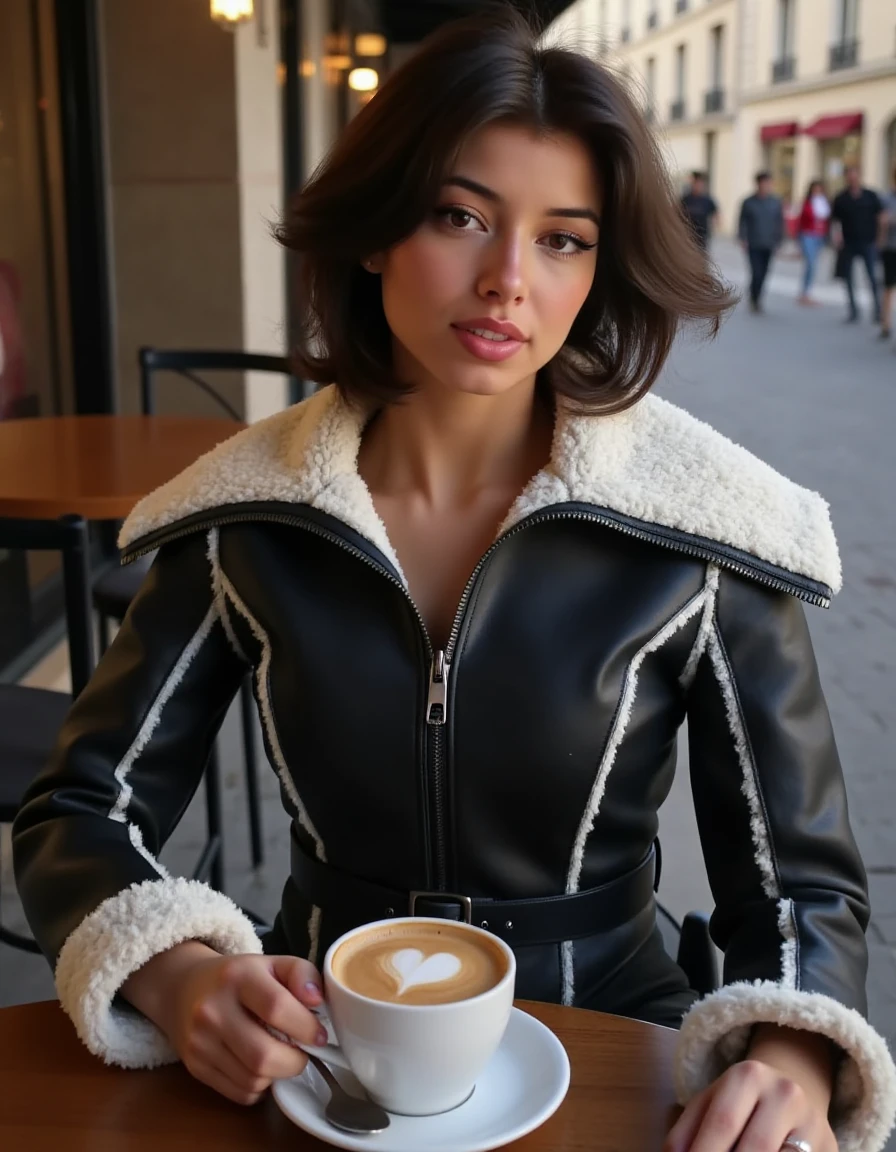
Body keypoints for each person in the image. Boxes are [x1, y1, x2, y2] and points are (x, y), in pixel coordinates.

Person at [13, 11, 896, 1152]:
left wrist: (787, 1054)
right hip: (315, 1045)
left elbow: (799, 891)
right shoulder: (241, 522)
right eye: (459, 217)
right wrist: (178, 974)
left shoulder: (703, 532)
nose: (505, 282)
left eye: (563, 239)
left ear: (599, 267)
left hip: (611, 1038)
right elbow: (81, 809)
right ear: (379, 232)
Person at [831, 165, 884, 325]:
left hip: (868, 242)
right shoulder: (841, 198)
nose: (852, 179)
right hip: (849, 243)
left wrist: (880, 240)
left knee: (872, 278)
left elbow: (881, 217)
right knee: (848, 278)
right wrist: (836, 237)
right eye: (849, 176)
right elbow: (835, 221)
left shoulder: (871, 196)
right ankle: (853, 309)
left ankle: (877, 310)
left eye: (855, 175)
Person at [738, 172, 784, 313]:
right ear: (758, 184)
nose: (766, 186)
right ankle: (754, 298)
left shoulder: (775, 202)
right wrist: (742, 238)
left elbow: (779, 222)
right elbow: (742, 222)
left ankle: (757, 297)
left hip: (769, 243)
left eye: (768, 183)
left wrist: (779, 240)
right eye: (764, 183)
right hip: (754, 243)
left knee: (764, 273)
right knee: (756, 272)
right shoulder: (748, 202)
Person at [797, 180, 830, 306]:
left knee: (813, 264)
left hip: (819, 235)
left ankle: (807, 290)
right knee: (810, 263)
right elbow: (803, 218)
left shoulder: (824, 202)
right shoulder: (808, 202)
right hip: (808, 234)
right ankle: (805, 292)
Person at [680, 170, 718, 251]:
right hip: (688, 233)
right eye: (695, 184)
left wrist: (715, 224)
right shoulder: (685, 199)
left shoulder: (707, 200)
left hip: (702, 234)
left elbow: (716, 213)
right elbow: (678, 213)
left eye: (699, 184)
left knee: (701, 256)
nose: (697, 186)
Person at [879, 167, 896, 342]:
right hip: (890, 248)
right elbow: (883, 221)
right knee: (888, 287)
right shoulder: (887, 198)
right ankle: (885, 323)